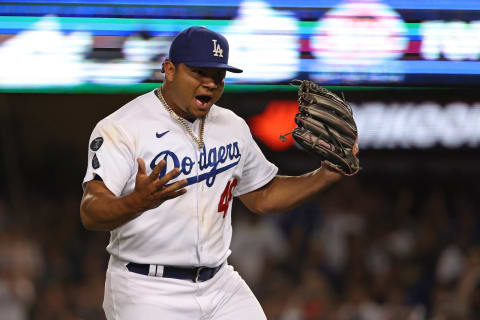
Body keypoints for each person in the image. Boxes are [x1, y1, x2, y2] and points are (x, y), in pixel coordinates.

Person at [80, 26, 345, 320]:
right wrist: (136, 202)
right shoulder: (123, 127)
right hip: (147, 287)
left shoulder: (231, 126)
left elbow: (262, 195)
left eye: (217, 76)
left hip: (219, 282)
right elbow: (90, 211)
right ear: (169, 70)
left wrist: (325, 176)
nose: (209, 84)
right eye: (198, 73)